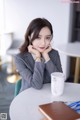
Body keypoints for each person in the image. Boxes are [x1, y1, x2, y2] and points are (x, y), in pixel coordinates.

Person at [15, 18, 62, 92]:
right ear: (30, 37)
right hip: (28, 95)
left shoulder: (54, 54)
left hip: (49, 95)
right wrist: (38, 57)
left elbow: (59, 80)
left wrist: (46, 57)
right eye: (38, 37)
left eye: (47, 38)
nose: (43, 43)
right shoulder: (20, 58)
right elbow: (36, 85)